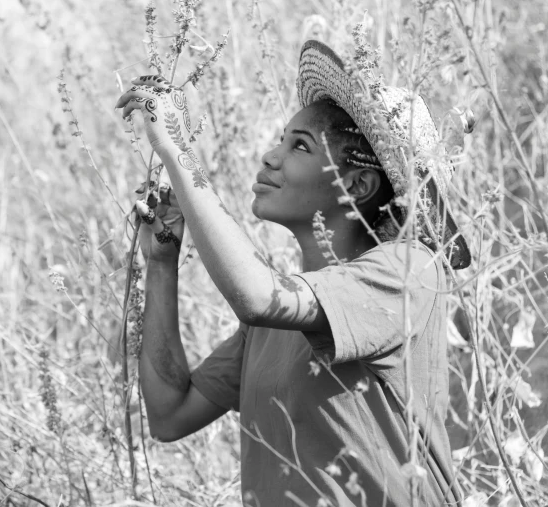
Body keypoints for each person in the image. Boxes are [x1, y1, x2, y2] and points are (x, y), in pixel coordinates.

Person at [115, 40, 469, 506]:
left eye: (299, 145)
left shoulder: (410, 272)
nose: (270, 156)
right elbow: (169, 415)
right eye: (281, 140)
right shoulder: (273, 326)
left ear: (357, 186)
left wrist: (176, 147)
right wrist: (162, 264)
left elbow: (259, 295)